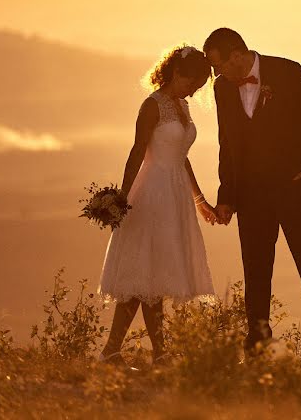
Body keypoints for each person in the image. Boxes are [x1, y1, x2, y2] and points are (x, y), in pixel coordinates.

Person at [203, 28, 301, 369]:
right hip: (251, 196)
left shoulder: (287, 71)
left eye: (222, 67)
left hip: (295, 190)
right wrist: (226, 195)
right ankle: (256, 351)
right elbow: (226, 143)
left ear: (238, 55)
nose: (219, 75)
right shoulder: (222, 89)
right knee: (256, 273)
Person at [98, 45, 217, 367]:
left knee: (155, 275)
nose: (194, 91)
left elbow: (182, 155)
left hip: (176, 195)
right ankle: (150, 353)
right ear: (177, 74)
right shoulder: (152, 106)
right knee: (145, 274)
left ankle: (129, 351)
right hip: (152, 193)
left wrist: (200, 199)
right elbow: (137, 151)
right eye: (192, 83)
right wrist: (121, 198)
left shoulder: (181, 105)